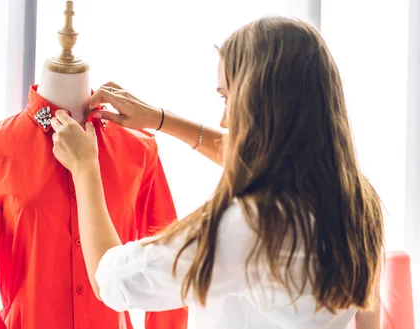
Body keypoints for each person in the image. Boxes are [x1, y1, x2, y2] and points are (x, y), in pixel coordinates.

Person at [49, 16, 384, 329]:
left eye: (227, 99)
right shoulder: (355, 198)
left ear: (259, 108)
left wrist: (85, 168)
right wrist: (160, 119)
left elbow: (111, 280)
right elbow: (369, 315)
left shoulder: (252, 224)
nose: (224, 119)